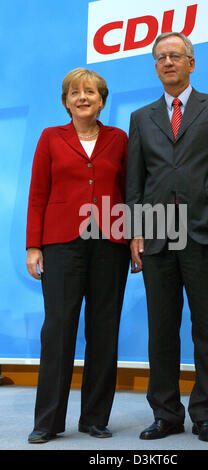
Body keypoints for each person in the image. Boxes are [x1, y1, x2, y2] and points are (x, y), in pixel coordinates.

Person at [126, 33, 208, 442]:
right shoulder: (141, 118)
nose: (168, 62)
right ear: (156, 66)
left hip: (207, 234)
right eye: (161, 57)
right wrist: (135, 231)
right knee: (161, 331)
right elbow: (135, 181)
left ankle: (207, 416)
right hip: (158, 235)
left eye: (175, 56)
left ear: (191, 63)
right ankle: (166, 415)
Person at [26, 68, 130, 443]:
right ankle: (48, 422)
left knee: (104, 332)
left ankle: (94, 418)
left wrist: (133, 237)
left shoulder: (119, 139)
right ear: (66, 101)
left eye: (90, 92)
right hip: (61, 244)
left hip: (110, 245)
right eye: (74, 92)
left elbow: (127, 191)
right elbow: (38, 193)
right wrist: (33, 246)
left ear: (102, 100)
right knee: (58, 331)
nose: (82, 97)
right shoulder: (50, 138)